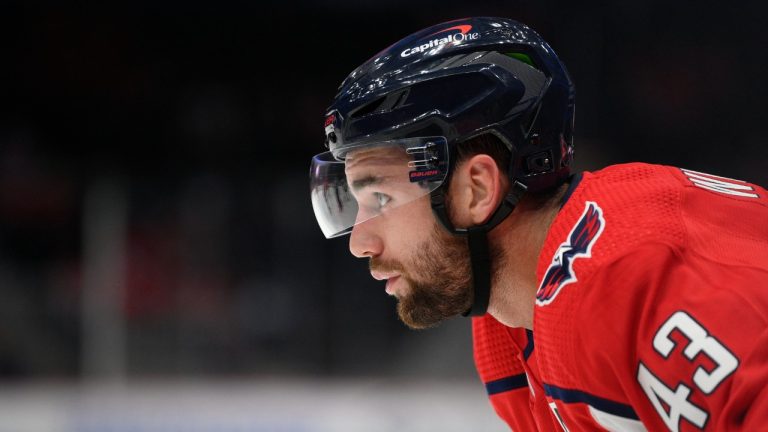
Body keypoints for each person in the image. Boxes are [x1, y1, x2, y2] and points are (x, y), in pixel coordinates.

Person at [309, 17, 768, 431]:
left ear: (477, 190)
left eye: (381, 197)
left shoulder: (623, 271)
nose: (360, 242)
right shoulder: (510, 319)